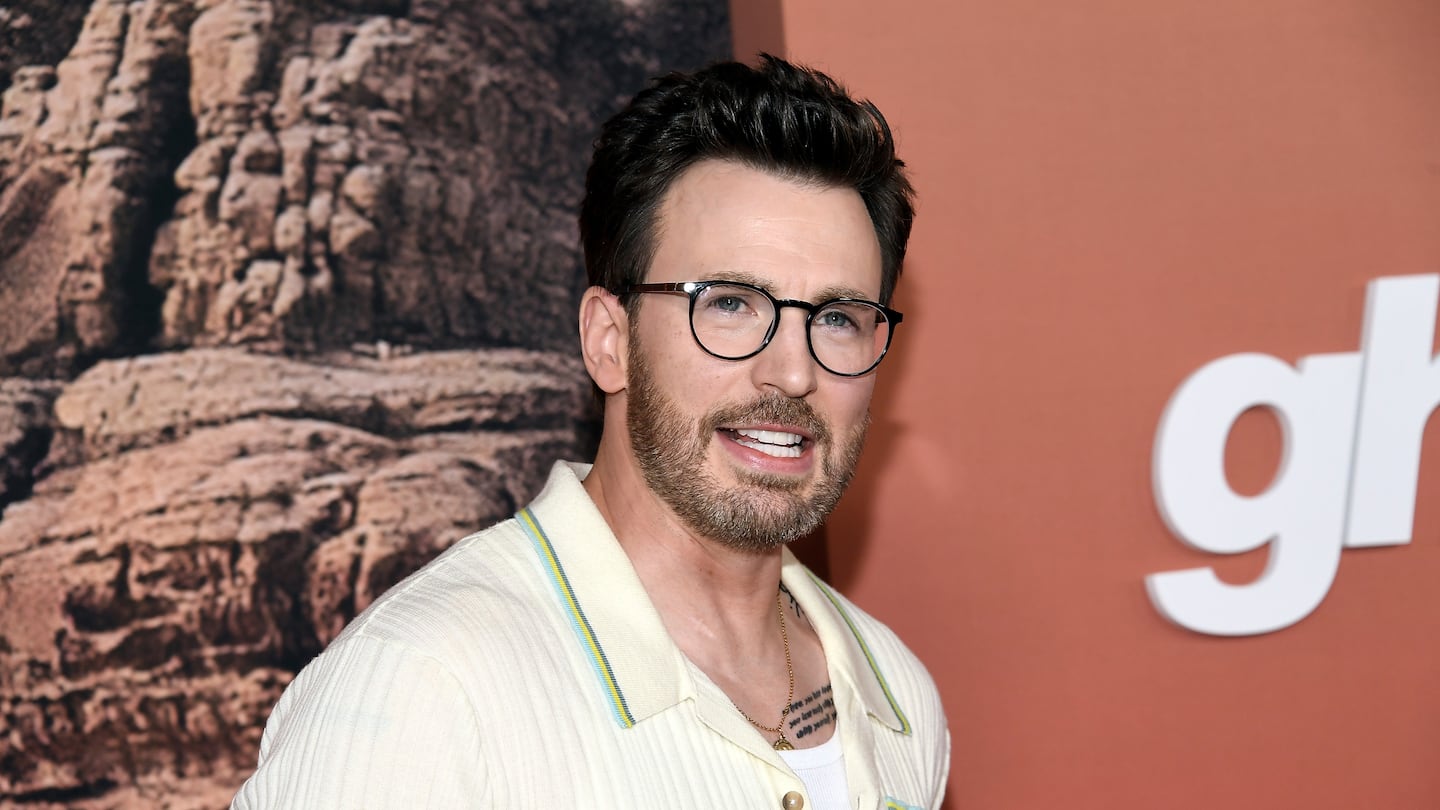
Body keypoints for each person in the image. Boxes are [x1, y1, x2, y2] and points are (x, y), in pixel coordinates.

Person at [232, 54, 949, 810]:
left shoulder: (898, 694)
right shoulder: (423, 687)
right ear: (610, 340)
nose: (793, 372)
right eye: (731, 304)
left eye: (836, 318)